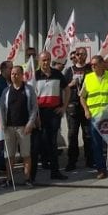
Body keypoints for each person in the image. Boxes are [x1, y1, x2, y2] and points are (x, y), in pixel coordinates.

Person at [0, 65, 38, 188]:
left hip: (24, 127)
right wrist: (2, 124)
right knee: (9, 156)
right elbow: (2, 109)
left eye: (16, 74)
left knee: (26, 154)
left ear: (22, 75)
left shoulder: (28, 89)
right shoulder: (6, 91)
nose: (14, 76)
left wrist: (30, 124)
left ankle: (27, 179)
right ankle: (9, 179)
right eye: (12, 74)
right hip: (9, 128)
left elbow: (34, 108)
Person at [33, 52, 70, 181]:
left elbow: (67, 90)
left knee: (53, 142)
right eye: (43, 60)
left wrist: (64, 107)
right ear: (39, 61)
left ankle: (55, 172)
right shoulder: (35, 75)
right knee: (38, 142)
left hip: (54, 112)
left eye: (48, 60)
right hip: (39, 113)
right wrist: (34, 114)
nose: (46, 62)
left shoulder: (57, 74)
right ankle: (32, 174)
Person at [63, 48, 93, 170]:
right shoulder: (69, 70)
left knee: (88, 135)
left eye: (82, 54)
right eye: (78, 54)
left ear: (86, 56)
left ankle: (90, 160)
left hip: (86, 105)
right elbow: (63, 87)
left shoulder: (90, 69)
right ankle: (72, 161)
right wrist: (71, 84)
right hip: (72, 105)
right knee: (72, 134)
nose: (80, 56)